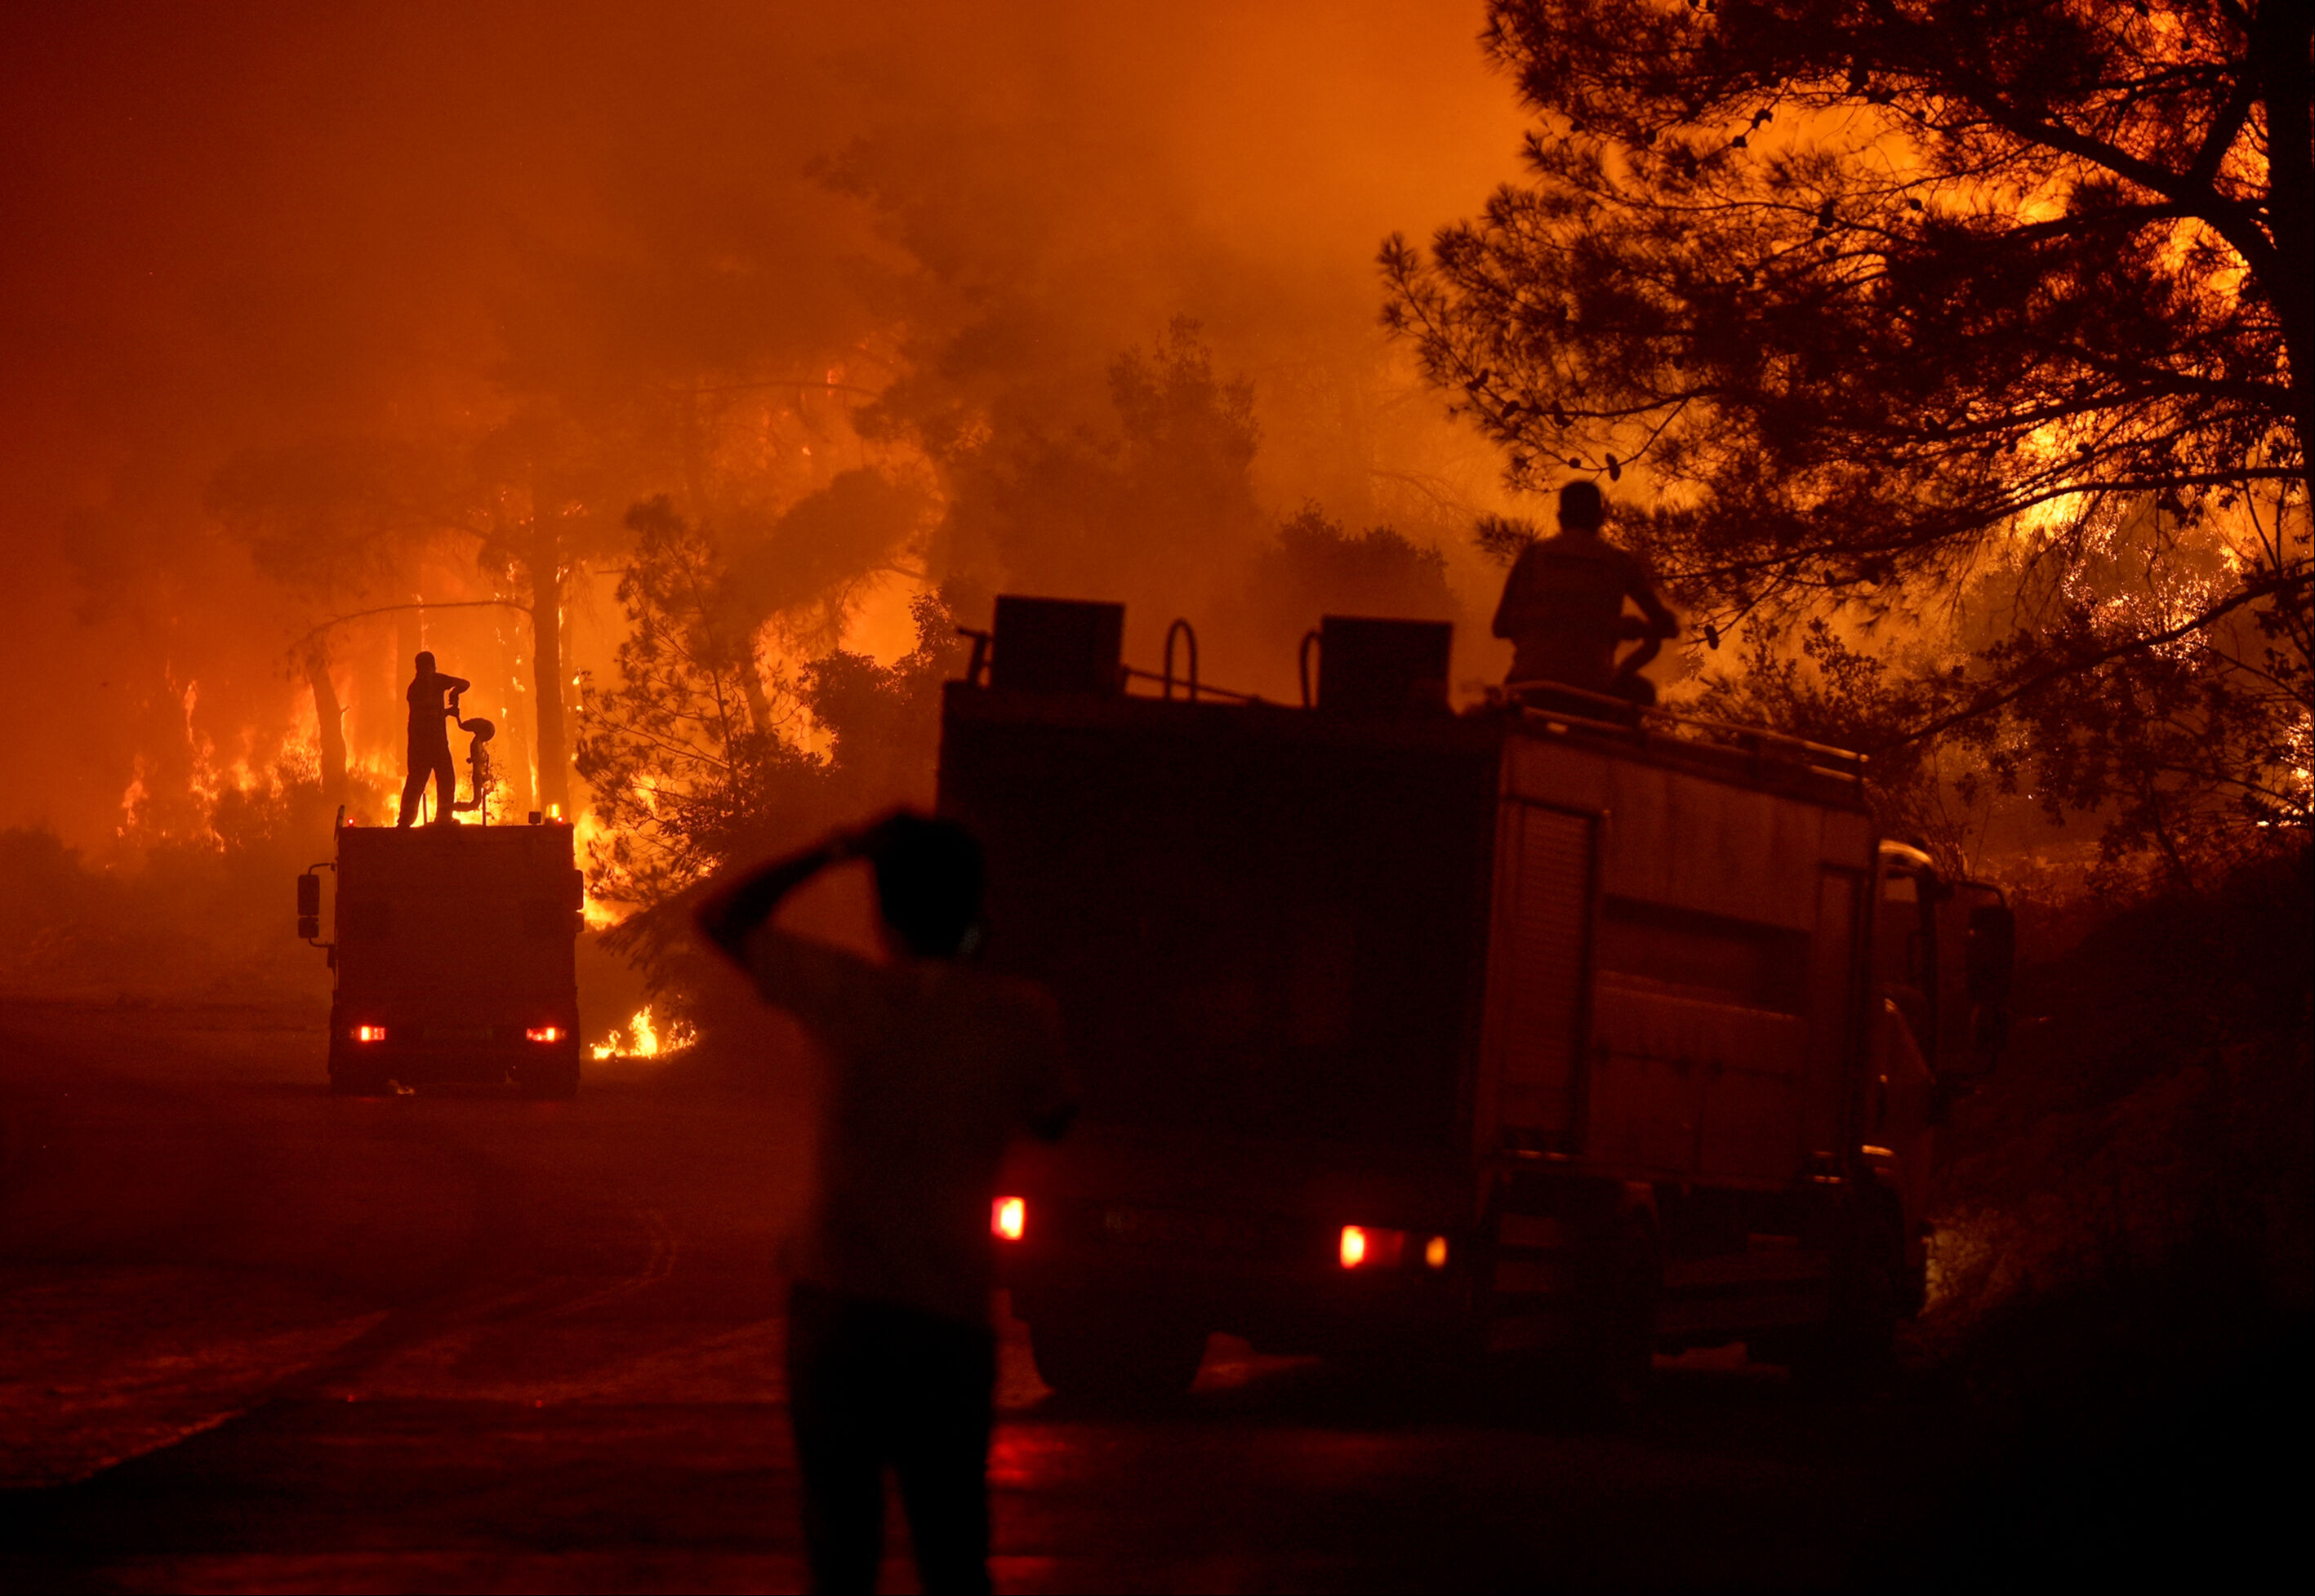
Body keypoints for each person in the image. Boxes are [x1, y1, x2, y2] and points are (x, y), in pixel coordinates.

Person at [695, 811, 1075, 1596]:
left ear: (884, 916)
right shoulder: (1020, 1017)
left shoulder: (846, 995)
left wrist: (835, 848)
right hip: (947, 1315)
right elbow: (1053, 1117)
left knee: (840, 1545)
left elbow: (722, 918)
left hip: (839, 1307)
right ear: (975, 912)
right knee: (952, 1545)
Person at [1492, 480, 1677, 702]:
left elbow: (1500, 627)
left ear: (1561, 517)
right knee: (1641, 692)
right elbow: (1665, 626)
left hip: (1529, 684)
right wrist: (1627, 628)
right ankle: (1593, 734)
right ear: (1601, 518)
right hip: (1594, 687)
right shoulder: (1619, 562)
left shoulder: (1533, 556)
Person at [397, 651, 471, 827]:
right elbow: (464, 684)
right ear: (432, 665)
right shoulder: (436, 681)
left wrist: (452, 697)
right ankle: (443, 818)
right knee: (445, 779)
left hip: (418, 745)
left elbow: (426, 713)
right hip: (435, 742)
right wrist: (451, 701)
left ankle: (405, 821)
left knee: (416, 782)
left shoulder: (414, 688)